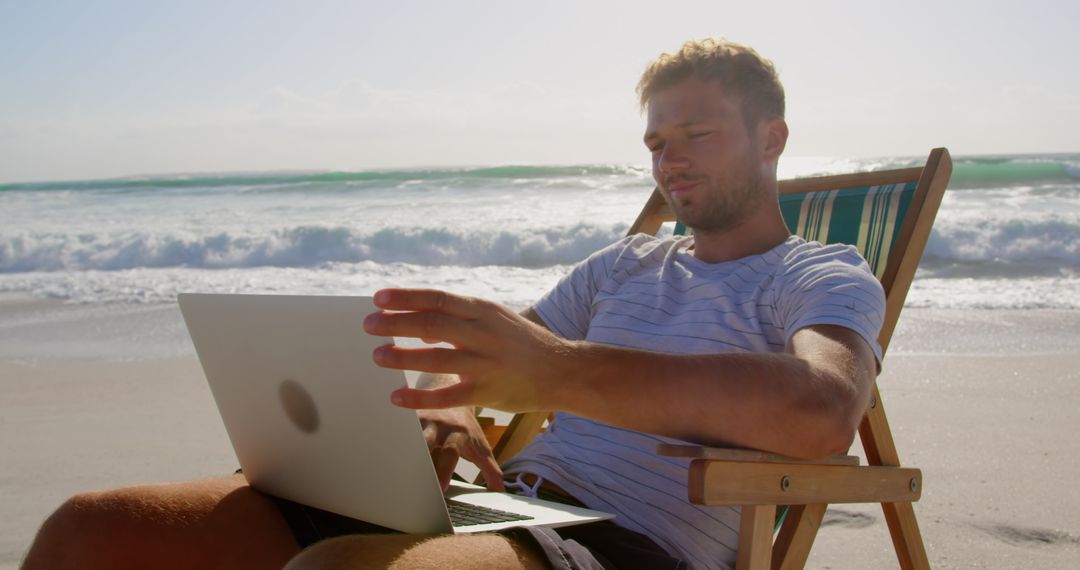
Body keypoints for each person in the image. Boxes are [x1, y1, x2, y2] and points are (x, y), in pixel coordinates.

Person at [22, 38, 884, 570]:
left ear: (772, 138)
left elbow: (822, 412)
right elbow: (502, 365)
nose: (670, 160)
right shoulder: (626, 264)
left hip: (621, 546)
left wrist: (555, 374)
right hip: (503, 506)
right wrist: (451, 411)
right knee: (90, 534)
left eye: (697, 135)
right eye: (657, 141)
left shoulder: (818, 274)